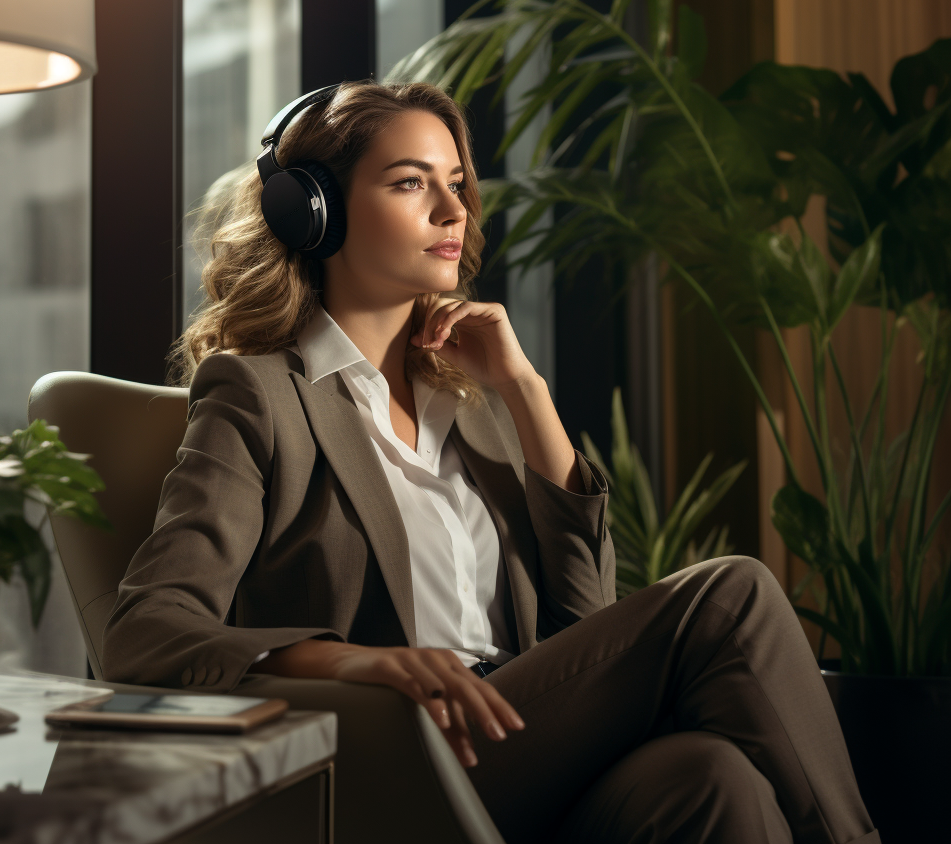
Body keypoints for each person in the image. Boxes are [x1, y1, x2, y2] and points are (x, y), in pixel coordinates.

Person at [103, 81, 880, 844]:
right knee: (729, 595)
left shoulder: (473, 404)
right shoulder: (260, 395)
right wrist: (346, 664)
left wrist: (524, 390)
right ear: (315, 211)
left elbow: (584, 623)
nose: (452, 211)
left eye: (456, 184)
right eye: (410, 183)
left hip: (528, 741)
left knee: (714, 776)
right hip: (397, 762)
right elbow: (148, 631)